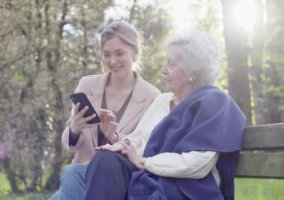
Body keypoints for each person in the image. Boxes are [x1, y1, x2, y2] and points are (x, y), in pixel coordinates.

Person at [85, 28, 246, 200]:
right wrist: (123, 145)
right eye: (166, 63)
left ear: (193, 71)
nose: (164, 70)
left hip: (186, 185)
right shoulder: (162, 100)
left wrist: (146, 163)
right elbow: (139, 137)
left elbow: (198, 164)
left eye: (172, 64)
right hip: (150, 175)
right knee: (105, 159)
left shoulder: (214, 101)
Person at [51, 21, 161, 200]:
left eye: (119, 53)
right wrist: (74, 129)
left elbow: (145, 149)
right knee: (72, 174)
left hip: (118, 179)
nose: (112, 61)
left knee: (68, 179)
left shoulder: (152, 96)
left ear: (135, 52)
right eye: (106, 54)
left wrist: (114, 137)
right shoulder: (87, 84)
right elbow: (69, 144)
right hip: (82, 175)